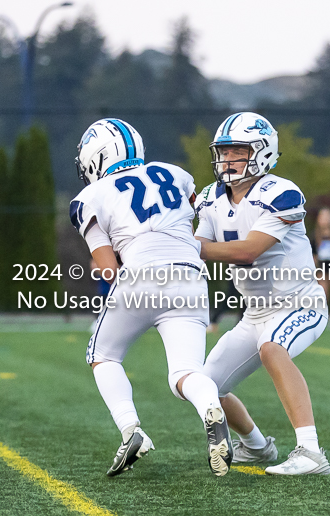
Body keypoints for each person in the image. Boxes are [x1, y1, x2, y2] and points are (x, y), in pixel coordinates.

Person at [70, 118, 232, 477]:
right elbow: (193, 212)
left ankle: (132, 430)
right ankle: (209, 405)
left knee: (102, 354)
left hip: (142, 276)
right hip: (190, 275)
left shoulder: (89, 197)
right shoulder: (173, 173)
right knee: (185, 372)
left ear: (96, 159)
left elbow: (109, 268)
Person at [194, 112, 330, 476]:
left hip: (300, 304)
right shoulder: (210, 198)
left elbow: (246, 251)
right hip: (253, 313)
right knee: (204, 386)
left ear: (263, 152)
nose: (228, 159)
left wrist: (186, 249)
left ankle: (311, 453)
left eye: (238, 151)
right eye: (224, 151)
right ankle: (256, 445)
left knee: (273, 348)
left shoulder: (281, 193)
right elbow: (200, 242)